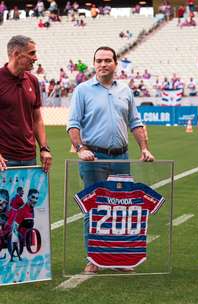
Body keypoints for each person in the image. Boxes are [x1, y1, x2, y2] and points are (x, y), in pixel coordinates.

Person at [67, 46, 154, 274]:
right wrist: (79, 148)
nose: (103, 64)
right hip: (93, 157)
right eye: (99, 60)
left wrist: (144, 148)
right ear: (93, 63)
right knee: (93, 207)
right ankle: (94, 258)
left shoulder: (125, 91)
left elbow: (135, 122)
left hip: (121, 157)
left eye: (107, 60)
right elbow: (73, 124)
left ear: (115, 63)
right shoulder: (82, 90)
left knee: (120, 208)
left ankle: (119, 258)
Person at [0, 35, 52, 172]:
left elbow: (37, 119)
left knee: (28, 194)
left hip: (30, 157)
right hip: (4, 160)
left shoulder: (33, 80)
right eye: (32, 53)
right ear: (16, 54)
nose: (36, 58)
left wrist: (44, 148)